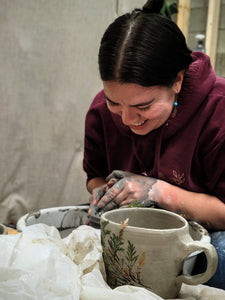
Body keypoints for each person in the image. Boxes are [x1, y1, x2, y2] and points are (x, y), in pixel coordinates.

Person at [83, 0, 225, 290]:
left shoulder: (218, 111)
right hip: (131, 228)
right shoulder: (101, 111)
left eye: (143, 106)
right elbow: (94, 176)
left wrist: (158, 191)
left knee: (217, 262)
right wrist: (104, 193)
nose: (126, 119)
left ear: (177, 81)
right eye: (114, 102)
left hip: (209, 233)